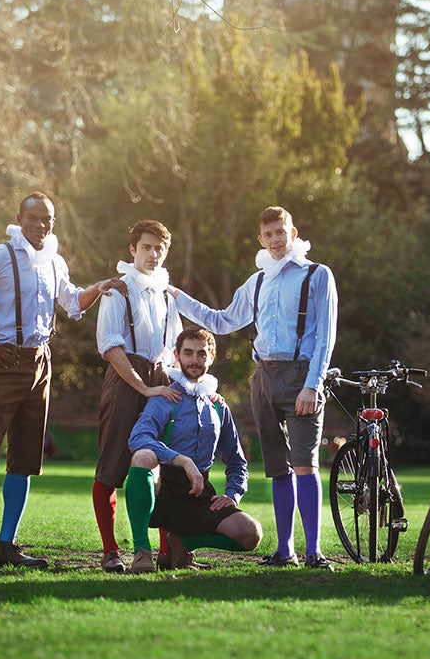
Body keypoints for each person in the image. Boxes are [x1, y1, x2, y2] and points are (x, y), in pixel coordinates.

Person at [0, 191, 125, 568]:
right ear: (19, 219)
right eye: (34, 218)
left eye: (47, 220)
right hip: (2, 361)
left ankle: (6, 545)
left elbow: (71, 302)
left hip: (40, 364)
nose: (41, 225)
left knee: (25, 459)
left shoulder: (54, 261)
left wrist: (101, 286)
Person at [168, 206, 337, 569]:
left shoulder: (317, 275)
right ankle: (285, 551)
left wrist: (313, 385)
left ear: (293, 234)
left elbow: (325, 336)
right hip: (263, 378)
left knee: (305, 464)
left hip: (302, 377)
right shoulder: (257, 281)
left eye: (281, 232)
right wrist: (179, 297)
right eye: (269, 234)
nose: (276, 240)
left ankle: (315, 552)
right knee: (278, 467)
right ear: (261, 240)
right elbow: (223, 320)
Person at [125, 327, 262, 572]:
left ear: (211, 357)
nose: (194, 360)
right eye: (188, 353)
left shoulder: (218, 406)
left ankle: (181, 540)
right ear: (177, 356)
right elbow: (138, 437)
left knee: (251, 533)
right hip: (163, 487)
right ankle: (142, 552)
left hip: (197, 493)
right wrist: (182, 460)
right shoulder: (165, 397)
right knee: (143, 456)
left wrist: (232, 494)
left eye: (201, 354)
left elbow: (237, 461)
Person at [92, 220, 183, 573]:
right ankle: (110, 550)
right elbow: (111, 348)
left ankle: (163, 550)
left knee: (159, 465)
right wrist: (144, 388)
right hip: (126, 380)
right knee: (112, 465)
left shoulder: (166, 294)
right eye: (146, 247)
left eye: (159, 248)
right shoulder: (118, 291)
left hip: (161, 380)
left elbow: (173, 349)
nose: (153, 253)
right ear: (133, 250)